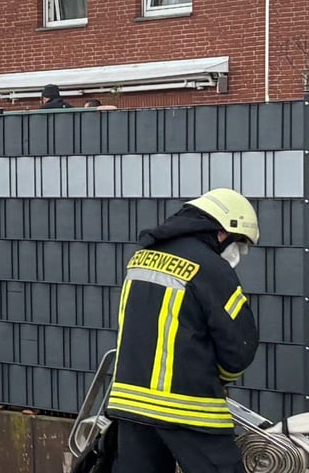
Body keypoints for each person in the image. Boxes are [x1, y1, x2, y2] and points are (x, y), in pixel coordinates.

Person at [106, 188, 260, 473]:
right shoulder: (211, 267)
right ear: (224, 232)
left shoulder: (141, 258)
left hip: (130, 404)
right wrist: (222, 377)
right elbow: (239, 346)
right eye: (239, 243)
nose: (238, 252)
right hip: (188, 408)